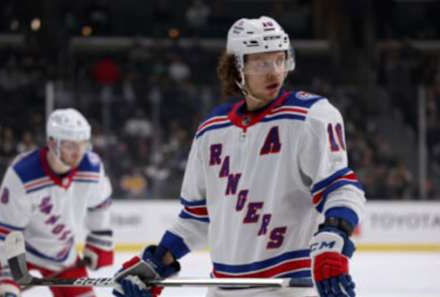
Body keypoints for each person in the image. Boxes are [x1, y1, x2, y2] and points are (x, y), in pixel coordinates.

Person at [112, 16, 366, 297]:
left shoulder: (311, 116)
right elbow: (196, 215)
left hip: (287, 289)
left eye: (279, 60)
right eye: (260, 63)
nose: (274, 72)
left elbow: (340, 188)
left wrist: (334, 236)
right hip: (221, 290)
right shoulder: (212, 129)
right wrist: (157, 262)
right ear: (237, 68)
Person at [0, 108, 114, 297]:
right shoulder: (23, 173)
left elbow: (100, 204)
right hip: (14, 248)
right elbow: (7, 231)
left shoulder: (92, 167)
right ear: (52, 143)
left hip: (61, 254)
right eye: (70, 145)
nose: (78, 152)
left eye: (82, 144)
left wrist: (98, 240)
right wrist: (9, 274)